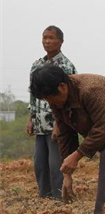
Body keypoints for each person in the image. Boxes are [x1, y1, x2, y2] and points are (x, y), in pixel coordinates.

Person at [29, 65, 105, 214]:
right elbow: (65, 133)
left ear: (62, 87)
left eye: (51, 99)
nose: (52, 104)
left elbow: (102, 128)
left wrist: (77, 156)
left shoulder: (91, 90)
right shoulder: (57, 101)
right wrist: (67, 174)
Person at [27, 26, 77, 199]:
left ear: (61, 41)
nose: (47, 41)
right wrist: (30, 118)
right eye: (44, 38)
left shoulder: (66, 66)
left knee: (56, 164)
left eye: (51, 38)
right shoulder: (36, 65)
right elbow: (33, 95)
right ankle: (44, 198)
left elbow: (70, 97)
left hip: (57, 125)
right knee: (39, 164)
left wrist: (59, 123)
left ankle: (58, 200)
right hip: (40, 124)